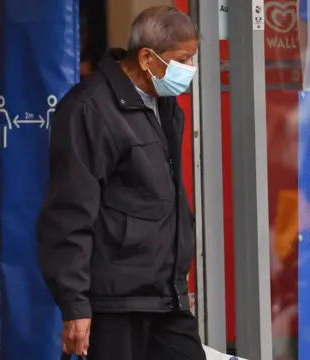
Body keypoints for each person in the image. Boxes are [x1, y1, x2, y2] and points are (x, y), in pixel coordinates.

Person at [36, 6, 204, 360]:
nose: (190, 69)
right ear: (146, 58)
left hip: (164, 296)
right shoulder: (89, 110)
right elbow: (69, 214)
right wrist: (75, 305)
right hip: (113, 303)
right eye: (183, 59)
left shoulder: (167, 106)